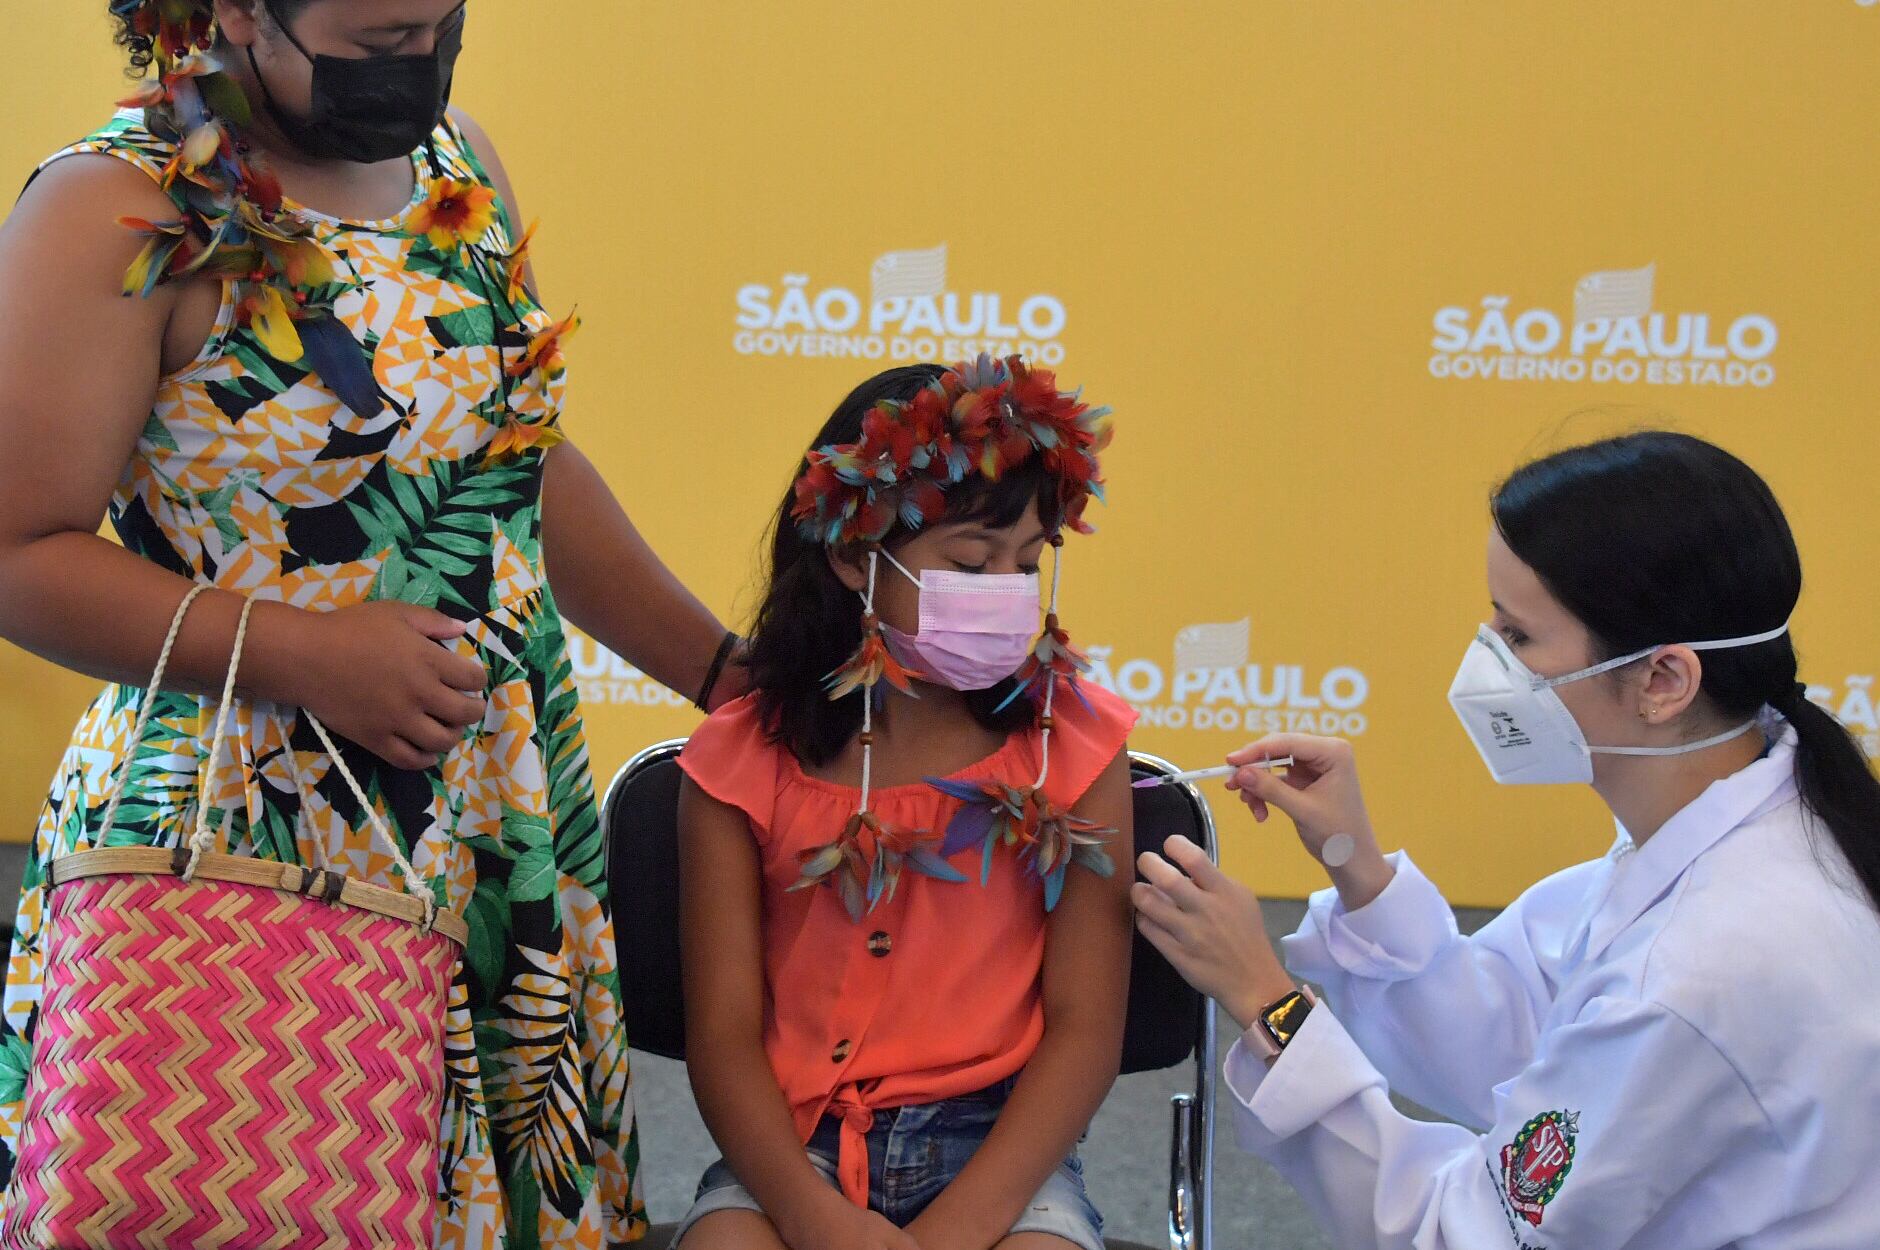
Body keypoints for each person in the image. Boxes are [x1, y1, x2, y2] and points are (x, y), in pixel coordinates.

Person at [0, 2, 745, 1242]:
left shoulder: (463, 168)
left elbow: (511, 470)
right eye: (375, 33)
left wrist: (723, 673)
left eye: (436, 25)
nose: (415, 61)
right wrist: (306, 653)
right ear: (236, 8)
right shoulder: (113, 207)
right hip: (244, 833)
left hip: (498, 815)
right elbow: (17, 549)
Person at [1134, 431, 1880, 1249]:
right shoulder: (1747, 818)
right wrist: (1359, 868)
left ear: (1663, 682)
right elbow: (1519, 1042)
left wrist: (1265, 1004)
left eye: (1517, 637)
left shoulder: (1707, 964)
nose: (1488, 662)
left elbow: (1464, 1233)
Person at [674, 359, 1135, 1250]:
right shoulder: (740, 757)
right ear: (854, 556)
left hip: (1001, 1155)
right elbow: (724, 1037)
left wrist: (960, 1230)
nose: (1006, 589)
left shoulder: (1072, 747)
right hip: (792, 1147)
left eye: (1028, 563)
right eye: (970, 561)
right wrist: (812, 1222)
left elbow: (1086, 1028)